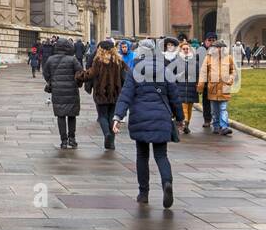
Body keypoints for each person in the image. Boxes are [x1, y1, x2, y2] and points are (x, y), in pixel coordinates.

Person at [113, 38, 184, 207]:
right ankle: (167, 183)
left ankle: (143, 193)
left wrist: (117, 117)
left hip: (140, 118)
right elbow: (175, 98)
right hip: (161, 118)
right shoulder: (165, 69)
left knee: (142, 156)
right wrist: (180, 118)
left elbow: (126, 95)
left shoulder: (134, 70)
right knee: (161, 155)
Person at [42, 37, 86, 148]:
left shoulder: (51, 59)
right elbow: (80, 73)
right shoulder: (73, 59)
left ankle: (63, 141)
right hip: (72, 91)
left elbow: (45, 73)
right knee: (72, 116)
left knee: (60, 116)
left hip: (57, 92)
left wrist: (51, 81)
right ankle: (72, 139)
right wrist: (78, 83)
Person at [84, 39, 127, 149]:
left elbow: (90, 74)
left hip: (101, 93)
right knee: (112, 116)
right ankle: (111, 143)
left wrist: (79, 76)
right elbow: (126, 76)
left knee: (102, 115)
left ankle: (107, 134)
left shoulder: (98, 61)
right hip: (115, 93)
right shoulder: (119, 61)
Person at [197, 39, 236, 135]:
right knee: (214, 110)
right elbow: (203, 73)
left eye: (220, 47)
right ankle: (216, 126)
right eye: (216, 47)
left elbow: (233, 71)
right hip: (212, 88)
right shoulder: (208, 58)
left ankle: (224, 126)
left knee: (223, 108)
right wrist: (200, 86)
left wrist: (230, 79)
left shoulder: (228, 58)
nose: (218, 49)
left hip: (224, 87)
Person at [175, 36, 201, 133]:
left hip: (191, 87)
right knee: (184, 106)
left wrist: (198, 84)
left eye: (187, 49)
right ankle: (185, 122)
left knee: (190, 107)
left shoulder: (194, 62)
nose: (186, 50)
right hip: (181, 87)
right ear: (181, 50)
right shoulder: (177, 61)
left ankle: (187, 124)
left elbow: (198, 74)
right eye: (184, 49)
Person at [199, 33, 216, 128]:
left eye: (214, 40)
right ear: (205, 41)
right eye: (209, 40)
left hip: (216, 80)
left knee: (217, 101)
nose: (212, 42)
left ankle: (217, 121)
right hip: (205, 81)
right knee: (206, 102)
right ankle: (207, 119)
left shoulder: (219, 51)